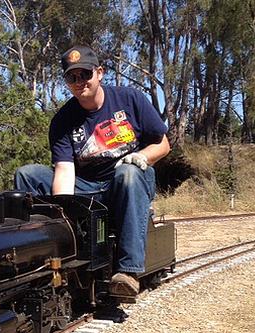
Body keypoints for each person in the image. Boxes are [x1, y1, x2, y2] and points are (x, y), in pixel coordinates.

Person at [14, 45, 170, 303]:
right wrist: (65, 211)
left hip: (126, 183)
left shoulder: (130, 99)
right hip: (86, 187)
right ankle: (45, 253)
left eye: (85, 74)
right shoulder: (63, 120)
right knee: (28, 175)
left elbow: (163, 144)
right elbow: (64, 169)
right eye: (71, 77)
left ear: (99, 73)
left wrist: (143, 157)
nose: (79, 82)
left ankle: (129, 270)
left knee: (128, 173)